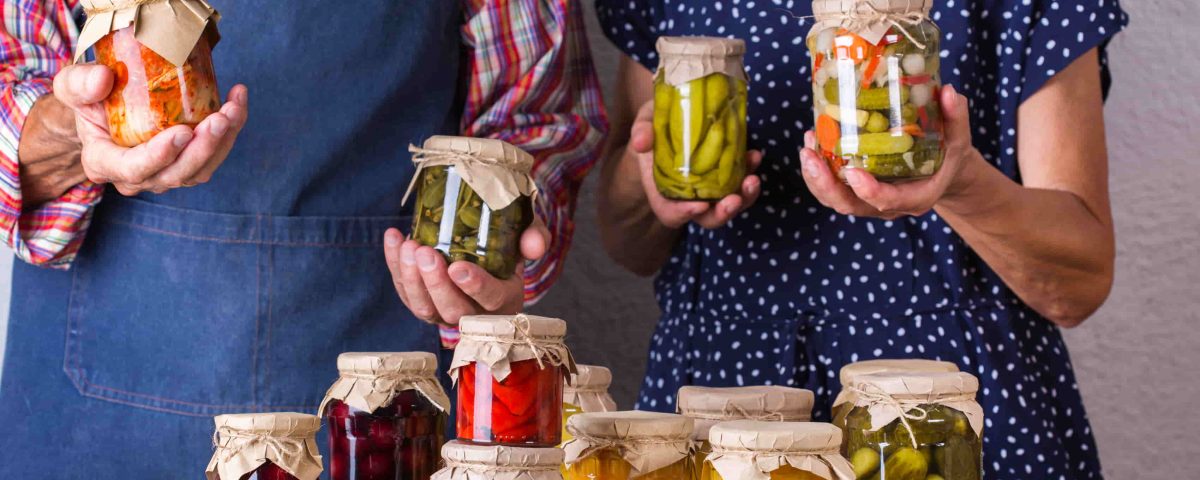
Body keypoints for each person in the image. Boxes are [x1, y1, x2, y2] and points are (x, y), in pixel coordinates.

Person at [0, 0, 605, 476]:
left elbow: (537, 116)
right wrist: (71, 129)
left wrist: (497, 251)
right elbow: (12, 69)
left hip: (379, 400)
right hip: (96, 417)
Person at [594, 0, 1126, 478]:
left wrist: (962, 185)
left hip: (944, 408)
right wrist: (655, 186)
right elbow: (627, 242)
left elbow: (1078, 284)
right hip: (720, 398)